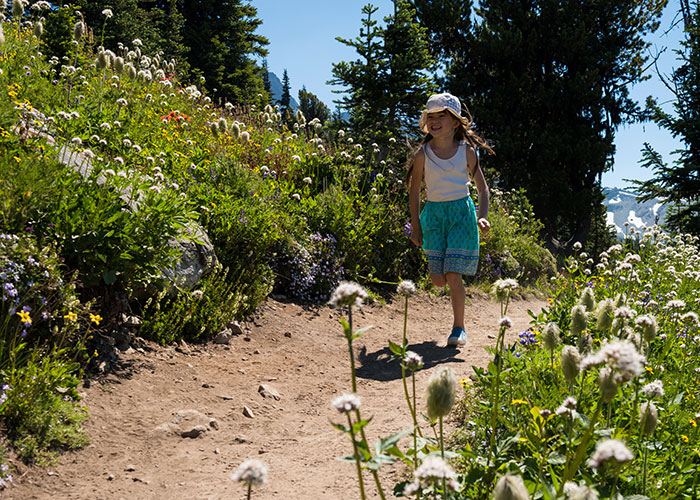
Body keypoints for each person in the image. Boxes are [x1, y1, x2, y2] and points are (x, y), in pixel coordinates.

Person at [407, 93, 494, 347]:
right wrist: (416, 225)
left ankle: (459, 328)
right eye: (430, 117)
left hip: (461, 215)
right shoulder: (423, 154)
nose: (434, 121)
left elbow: (483, 189)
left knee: (453, 274)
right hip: (433, 216)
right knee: (438, 279)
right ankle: (444, 279)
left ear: (455, 122)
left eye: (441, 116)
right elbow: (414, 192)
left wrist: (483, 217)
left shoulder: (467, 152)